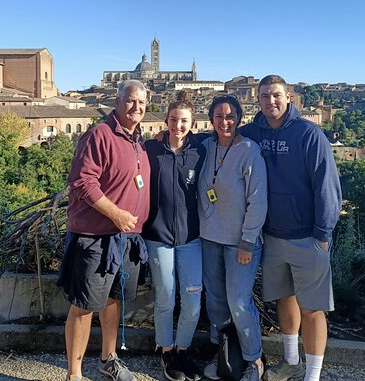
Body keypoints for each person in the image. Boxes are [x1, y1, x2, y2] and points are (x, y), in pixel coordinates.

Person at [239, 75, 342, 381]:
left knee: (312, 309)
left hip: (308, 237)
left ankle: (312, 375)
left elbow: (327, 186)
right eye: (265, 97)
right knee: (284, 299)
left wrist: (323, 234)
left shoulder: (309, 134)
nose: (271, 102)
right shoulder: (252, 133)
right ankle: (291, 360)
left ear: (288, 98)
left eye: (276, 96)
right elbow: (222, 135)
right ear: (257, 100)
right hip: (272, 236)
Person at [58, 80, 151, 381]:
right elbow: (83, 182)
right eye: (130, 101)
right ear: (117, 102)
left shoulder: (137, 141)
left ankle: (108, 359)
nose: (136, 107)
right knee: (84, 306)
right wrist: (116, 213)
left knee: (113, 300)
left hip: (126, 239)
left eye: (141, 103)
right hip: (96, 238)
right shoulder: (100, 135)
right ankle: (74, 374)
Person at [199, 94, 268, 381]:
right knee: (215, 301)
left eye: (230, 116)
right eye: (219, 116)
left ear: (239, 118)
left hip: (241, 242)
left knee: (239, 301)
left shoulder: (249, 151)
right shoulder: (205, 146)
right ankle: (223, 355)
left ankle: (254, 361)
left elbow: (258, 200)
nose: (224, 121)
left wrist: (248, 241)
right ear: (211, 119)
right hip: (208, 238)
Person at [142, 91, 206, 381]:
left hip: (192, 238)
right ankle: (167, 351)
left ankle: (183, 349)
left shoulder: (200, 151)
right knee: (166, 299)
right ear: (166, 121)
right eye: (173, 120)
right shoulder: (151, 150)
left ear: (192, 123)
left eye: (184, 121)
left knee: (192, 300)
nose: (178, 125)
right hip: (158, 236)